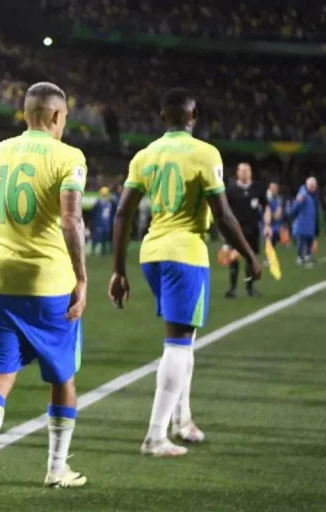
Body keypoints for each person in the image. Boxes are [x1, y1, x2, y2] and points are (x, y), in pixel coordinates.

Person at [109, 87, 261, 458]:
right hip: (185, 254)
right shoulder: (205, 153)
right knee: (178, 343)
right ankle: (155, 436)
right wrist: (250, 255)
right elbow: (223, 216)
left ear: (163, 117)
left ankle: (183, 420)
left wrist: (118, 271)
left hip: (151, 254)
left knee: (185, 339)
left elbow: (122, 214)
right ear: (194, 117)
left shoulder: (145, 155)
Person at [0, 82, 89, 506]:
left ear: (25, 113)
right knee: (63, 378)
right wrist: (82, 278)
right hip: (49, 285)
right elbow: (71, 221)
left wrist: (1, 234)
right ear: (56, 116)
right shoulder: (68, 156)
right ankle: (56, 468)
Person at [224, 162, 271, 298]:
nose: (245, 173)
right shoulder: (231, 191)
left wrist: (267, 224)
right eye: (242, 171)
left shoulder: (258, 188)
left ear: (251, 172)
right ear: (237, 173)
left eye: (248, 170)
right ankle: (232, 289)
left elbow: (266, 206)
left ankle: (250, 289)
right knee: (234, 256)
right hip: (236, 229)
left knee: (251, 258)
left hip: (253, 229)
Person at [289, 177, 320, 267]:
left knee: (310, 240)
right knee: (301, 241)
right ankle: (299, 257)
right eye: (311, 185)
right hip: (302, 223)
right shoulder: (303, 195)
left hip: (310, 222)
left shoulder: (313, 195)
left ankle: (308, 256)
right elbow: (295, 208)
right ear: (308, 185)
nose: (313, 187)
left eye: (314, 185)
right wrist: (294, 217)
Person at [91, 187, 115, 255]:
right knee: (97, 237)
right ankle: (93, 250)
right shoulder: (98, 202)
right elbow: (93, 211)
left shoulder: (111, 202)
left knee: (107, 237)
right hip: (99, 223)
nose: (104, 197)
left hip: (107, 223)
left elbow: (115, 209)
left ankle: (105, 251)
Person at [266, 182, 284, 247]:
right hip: (269, 227)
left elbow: (280, 215)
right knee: (269, 246)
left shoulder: (278, 199)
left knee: (273, 246)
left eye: (275, 188)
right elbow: (271, 215)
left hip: (277, 227)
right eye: (272, 188)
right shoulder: (267, 200)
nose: (274, 190)